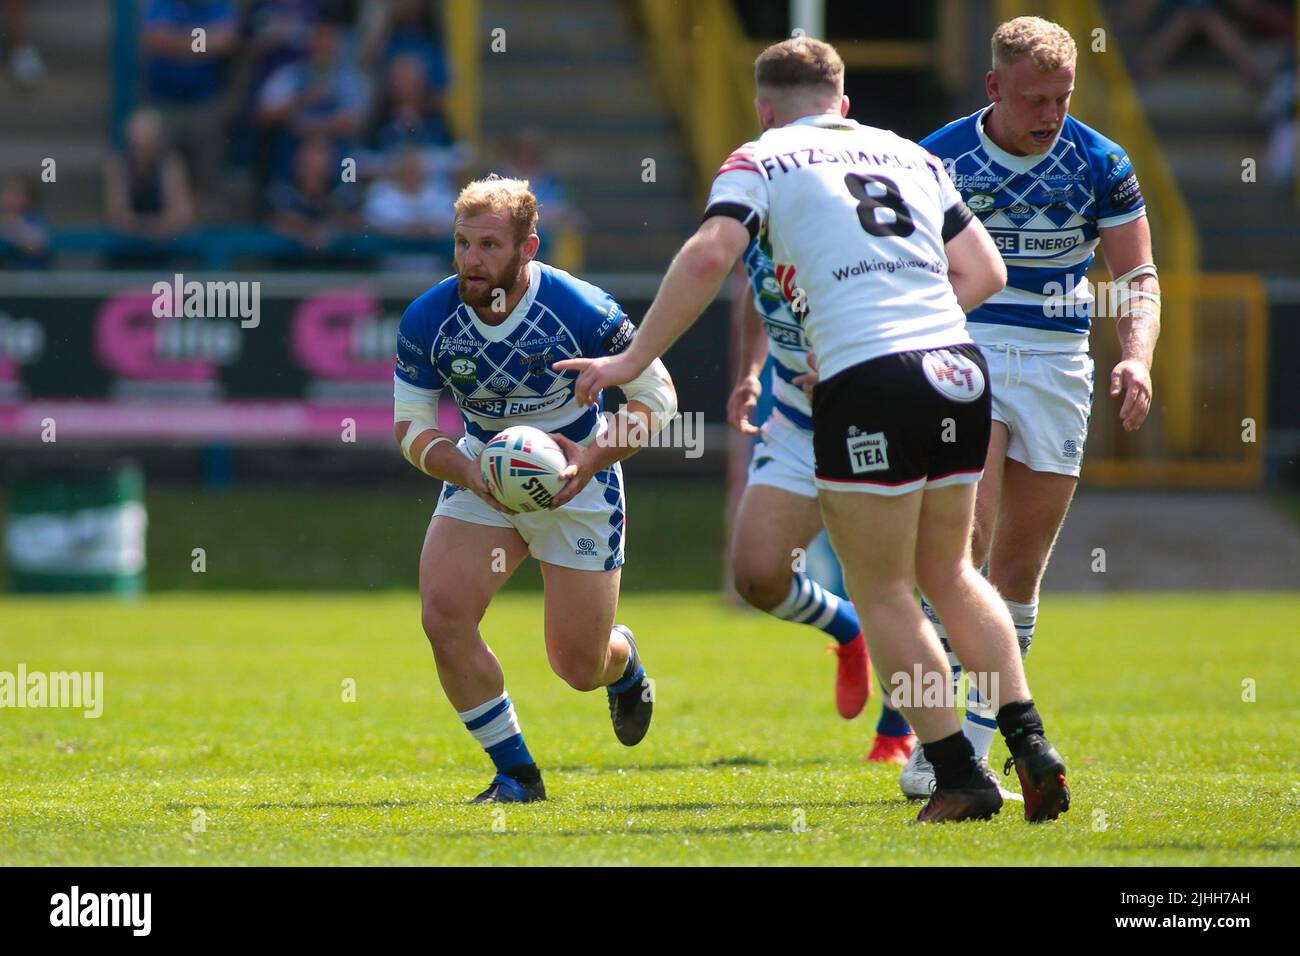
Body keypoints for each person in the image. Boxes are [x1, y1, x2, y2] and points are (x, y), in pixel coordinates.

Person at [558, 38, 1071, 823]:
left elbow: (708, 257)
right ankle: (1030, 741)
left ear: (765, 108)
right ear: (844, 103)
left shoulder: (760, 158)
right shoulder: (909, 155)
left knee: (886, 589)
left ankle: (958, 772)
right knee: (954, 575)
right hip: (961, 369)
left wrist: (631, 357)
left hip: (870, 381)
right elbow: (987, 273)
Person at [903, 16, 1161, 799]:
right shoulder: (937, 156)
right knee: (965, 543)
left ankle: (977, 742)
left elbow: (1138, 275)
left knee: (1018, 569)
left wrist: (1137, 358)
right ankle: (940, 750)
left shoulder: (1101, 163)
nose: (1050, 113)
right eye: (1034, 99)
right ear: (994, 87)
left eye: (1062, 97)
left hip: (1057, 362)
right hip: (965, 349)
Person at [393, 175, 678, 803]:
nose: (472, 260)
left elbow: (659, 397)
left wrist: (593, 454)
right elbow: (409, 427)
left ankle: (622, 660)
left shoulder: (583, 308)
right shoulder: (428, 318)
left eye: (490, 245)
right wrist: (468, 471)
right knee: (443, 616)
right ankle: (516, 774)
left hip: (579, 478)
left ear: (529, 248)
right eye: (463, 243)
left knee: (576, 667)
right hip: (482, 470)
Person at [726, 235, 917, 761]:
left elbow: (926, 306)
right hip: (795, 422)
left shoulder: (860, 234)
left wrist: (851, 373)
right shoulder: (760, 225)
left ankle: (899, 727)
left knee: (887, 579)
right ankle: (844, 625)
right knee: (757, 575)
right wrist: (749, 373)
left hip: (874, 421)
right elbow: (757, 295)